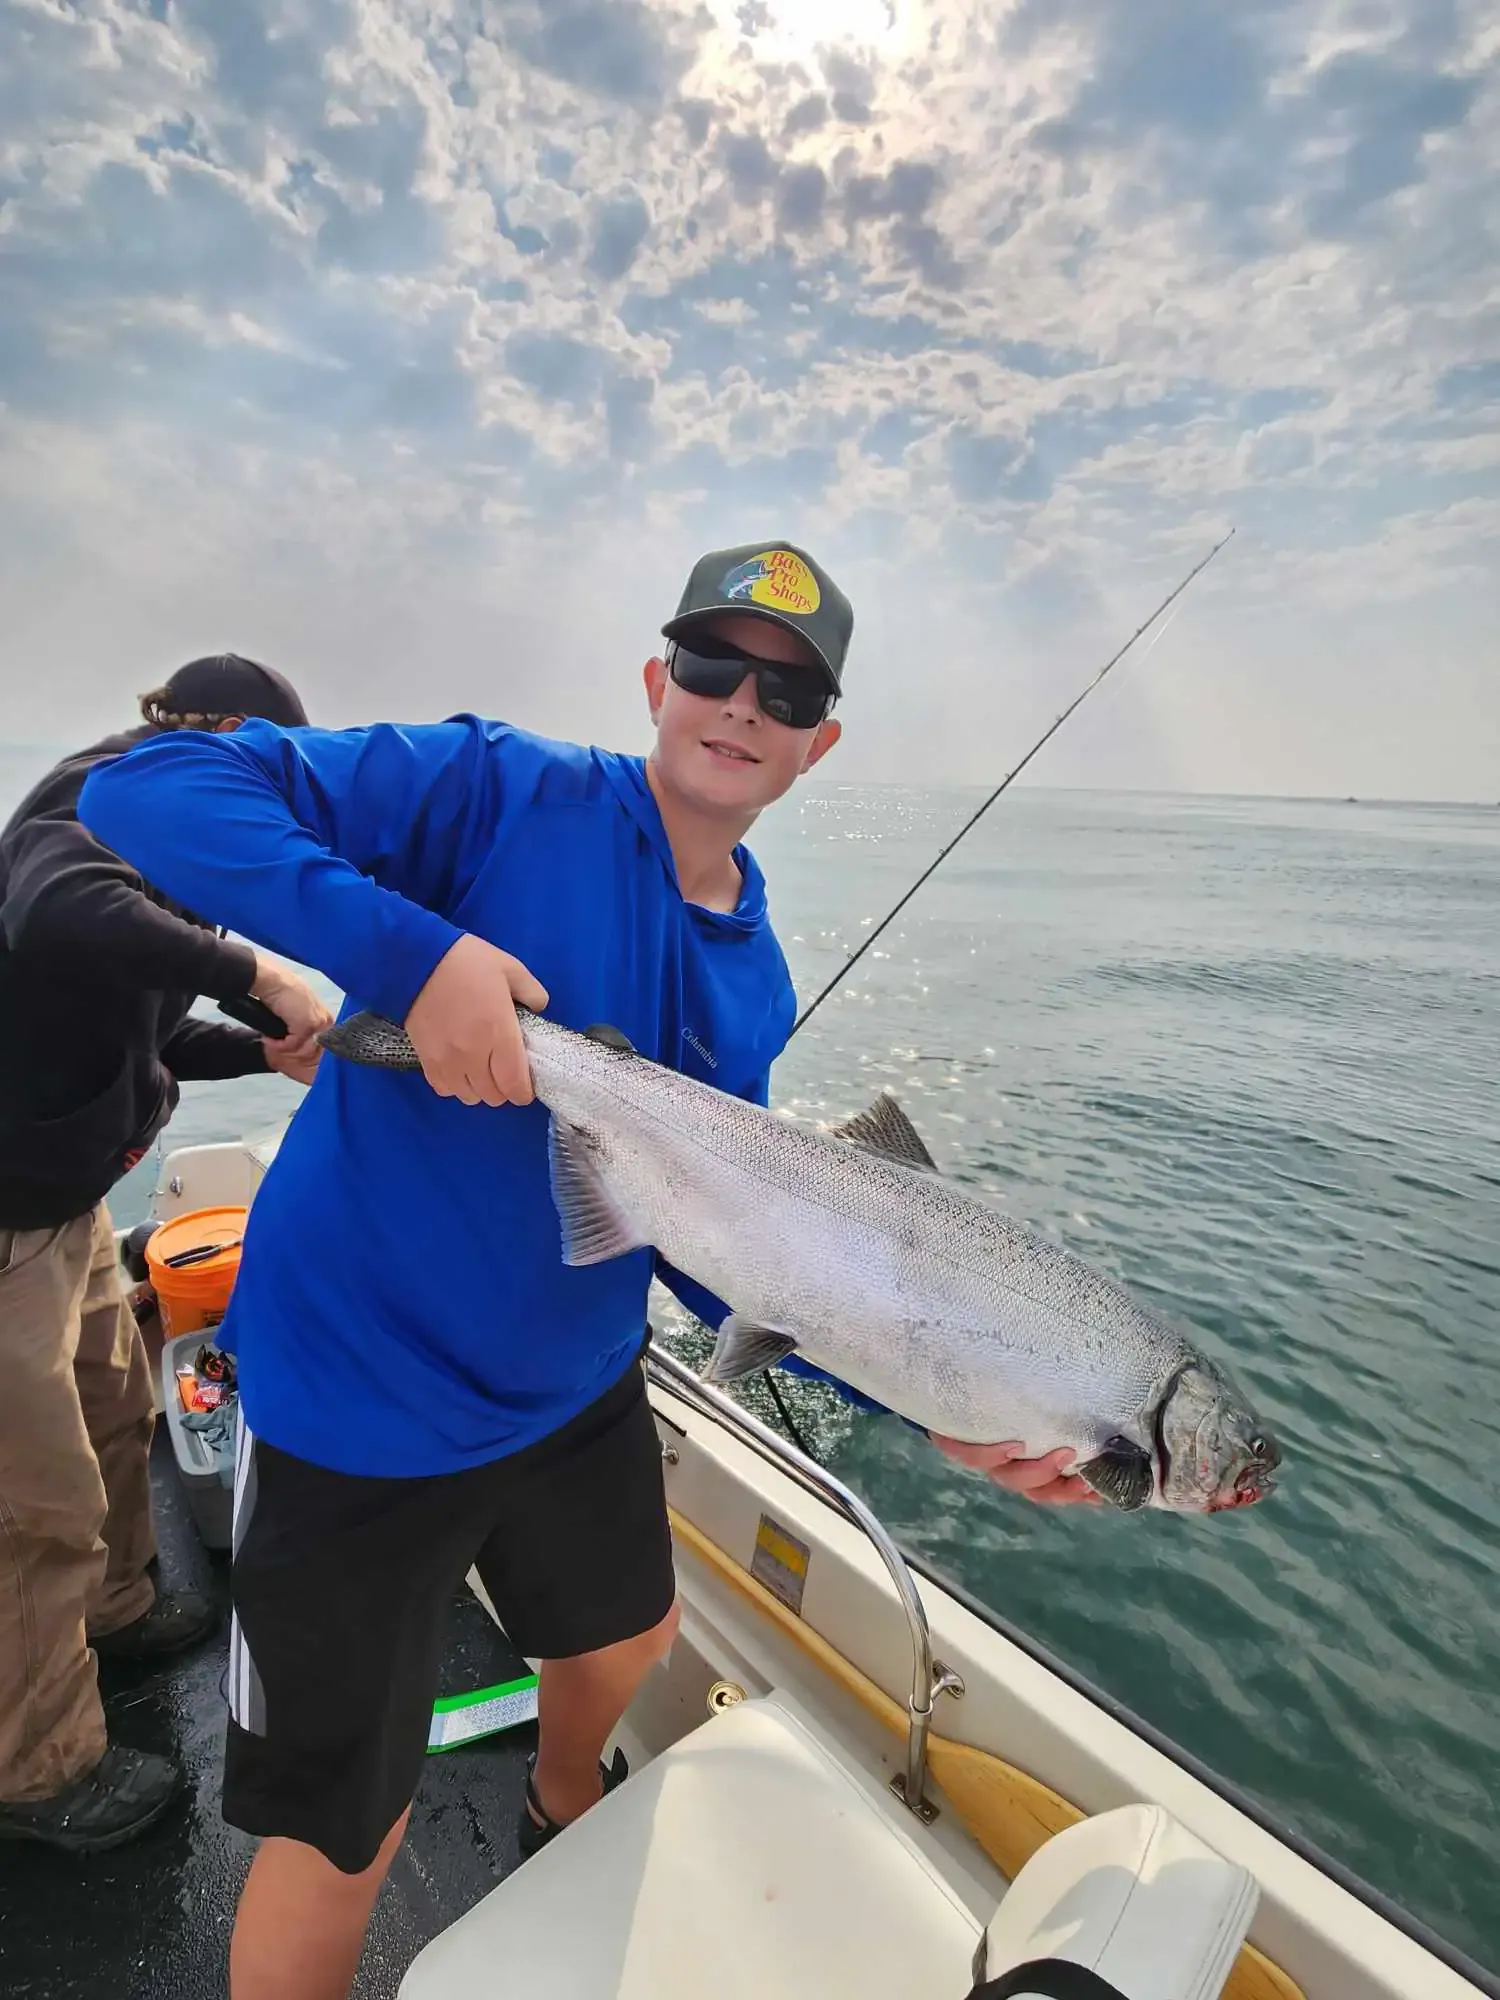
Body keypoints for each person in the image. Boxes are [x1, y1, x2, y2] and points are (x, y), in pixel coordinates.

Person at [77, 549, 1090, 2000]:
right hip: (361, 1400)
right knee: (339, 1828)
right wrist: (417, 960)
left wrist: (941, 1399)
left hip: (571, 1384)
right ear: (654, 681)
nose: (743, 702)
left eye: (787, 689)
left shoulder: (756, 975)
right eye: (713, 665)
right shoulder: (497, 787)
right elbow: (144, 793)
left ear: (821, 742)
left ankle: (565, 1805)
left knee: (630, 1635)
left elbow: (721, 1245)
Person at [0, 654, 333, 1856]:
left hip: (69, 1198)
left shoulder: (168, 842)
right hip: (4, 1219)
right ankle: (38, 1773)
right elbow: (53, 903)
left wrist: (263, 1049)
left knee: (112, 1410)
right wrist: (260, 971)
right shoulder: (98, 795)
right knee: (31, 1502)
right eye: (273, 777)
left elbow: (141, 1012)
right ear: (226, 737)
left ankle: (120, 1607)